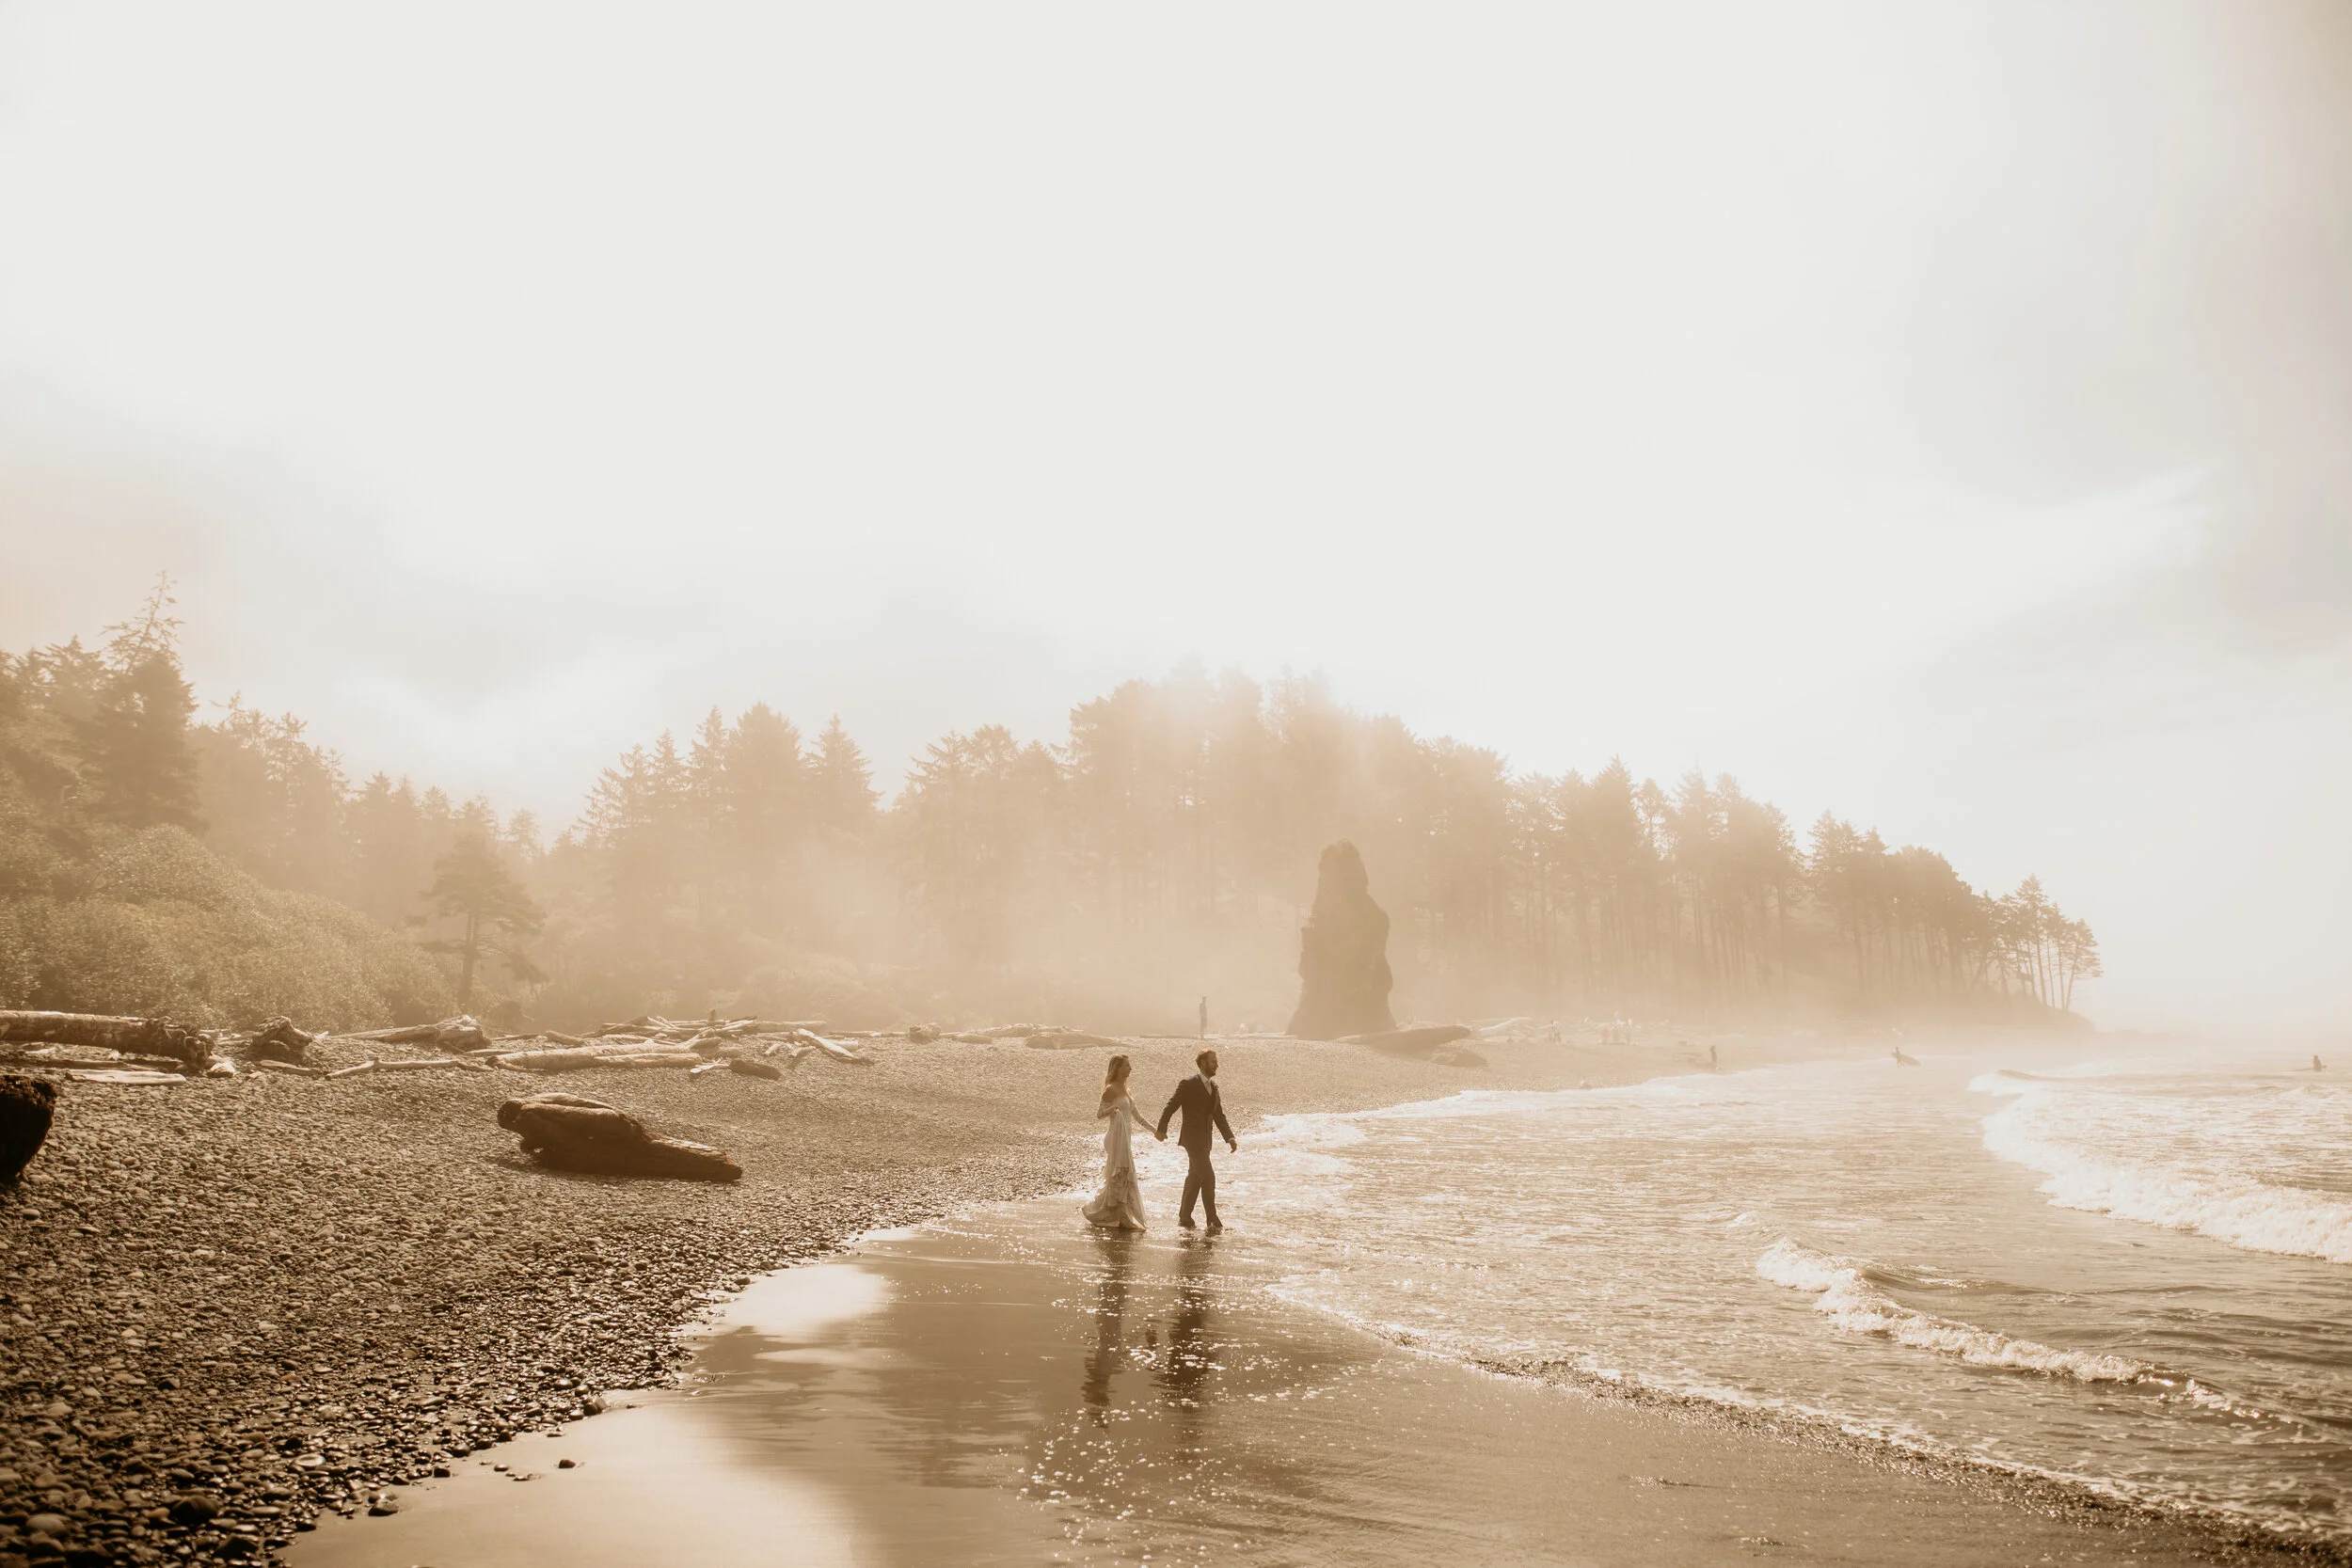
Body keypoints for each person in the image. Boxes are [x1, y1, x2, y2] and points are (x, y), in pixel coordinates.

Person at [1158, 1048, 1236, 1231]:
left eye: (1216, 1061)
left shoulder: (1214, 1087)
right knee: (1208, 1177)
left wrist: (1229, 1137)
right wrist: (1162, 1128)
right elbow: (1171, 1106)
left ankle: (1185, 1217)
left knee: (1195, 1177)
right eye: (1213, 1061)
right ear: (1202, 1063)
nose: (1217, 1065)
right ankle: (1212, 1219)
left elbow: (1219, 1115)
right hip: (1192, 1140)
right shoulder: (1188, 1084)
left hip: (1206, 1141)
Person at [1083, 1054, 1157, 1231]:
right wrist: (1113, 1109)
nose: (1130, 1069)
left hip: (1126, 1139)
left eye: (1129, 1065)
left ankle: (1117, 1215)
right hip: (1114, 1138)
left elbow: (1137, 1117)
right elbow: (1099, 1114)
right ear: (1117, 1068)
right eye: (1126, 1066)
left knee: (1122, 1176)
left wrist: (1155, 1131)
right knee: (1118, 1176)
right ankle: (1114, 1215)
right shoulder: (1110, 1089)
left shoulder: (1127, 1090)